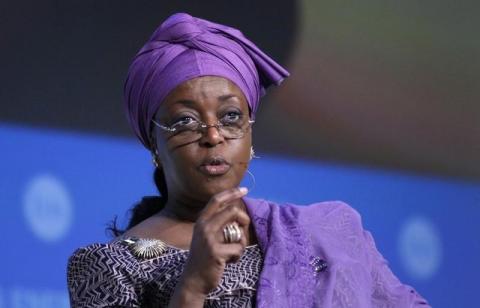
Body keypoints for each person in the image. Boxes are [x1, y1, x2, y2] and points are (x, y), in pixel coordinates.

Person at [67, 12, 430, 307]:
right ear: (154, 144)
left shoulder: (330, 233)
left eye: (230, 118)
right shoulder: (108, 265)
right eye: (185, 121)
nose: (212, 136)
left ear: (250, 134)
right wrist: (192, 285)